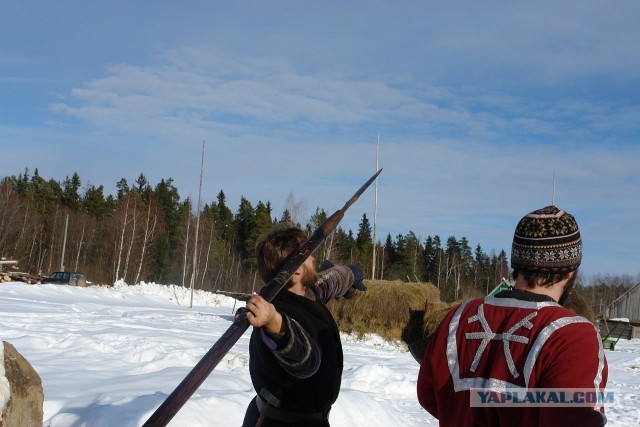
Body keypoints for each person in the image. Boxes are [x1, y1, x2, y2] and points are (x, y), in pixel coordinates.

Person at [417, 205, 608, 426]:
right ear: (570, 271)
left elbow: (430, 396)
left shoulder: (459, 318)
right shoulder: (571, 335)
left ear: (516, 263)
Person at [241, 225, 366, 427]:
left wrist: (351, 273)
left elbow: (328, 283)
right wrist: (275, 323)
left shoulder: (303, 295)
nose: (314, 258)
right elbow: (306, 360)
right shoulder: (276, 313)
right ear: (297, 270)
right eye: (308, 254)